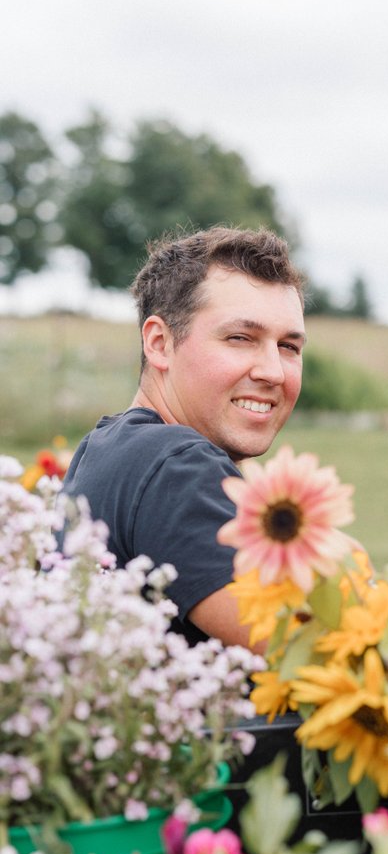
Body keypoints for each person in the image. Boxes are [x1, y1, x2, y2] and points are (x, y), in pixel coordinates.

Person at [62, 224, 306, 648]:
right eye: (240, 338)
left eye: (289, 346)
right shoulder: (176, 463)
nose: (273, 371)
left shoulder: (107, 446)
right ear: (159, 343)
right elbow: (300, 646)